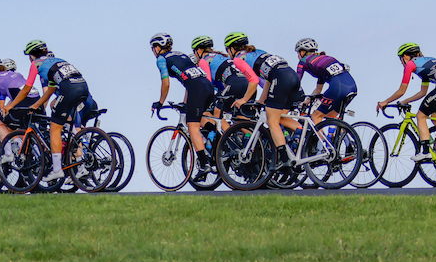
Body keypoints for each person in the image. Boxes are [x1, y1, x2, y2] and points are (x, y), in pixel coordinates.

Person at [3, 39, 91, 184]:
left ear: (31, 55)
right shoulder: (56, 61)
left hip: (69, 89)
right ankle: (81, 158)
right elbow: (50, 91)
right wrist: (35, 105)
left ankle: (57, 170)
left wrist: (11, 105)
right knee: (69, 125)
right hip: (82, 87)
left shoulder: (36, 64)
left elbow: (26, 89)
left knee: (54, 129)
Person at [376, 44, 436, 163]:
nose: (401, 62)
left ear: (405, 56)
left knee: (421, 116)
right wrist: (405, 101)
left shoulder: (410, 65)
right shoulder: (427, 62)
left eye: (400, 58)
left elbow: (402, 90)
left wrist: (385, 101)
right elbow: (423, 92)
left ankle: (426, 152)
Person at [225, 33, 301, 166]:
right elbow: (267, 80)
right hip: (292, 77)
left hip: (280, 80)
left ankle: (284, 160)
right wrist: (260, 102)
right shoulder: (258, 52)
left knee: (272, 122)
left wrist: (244, 99)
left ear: (232, 49)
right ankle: (305, 132)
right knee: (280, 117)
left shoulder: (238, 59)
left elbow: (253, 81)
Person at [150, 33, 215, 179]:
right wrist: (185, 103)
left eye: (153, 47)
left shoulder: (161, 59)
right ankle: (215, 136)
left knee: (192, 127)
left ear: (158, 47)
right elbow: (191, 80)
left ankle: (204, 164)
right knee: (199, 120)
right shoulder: (181, 55)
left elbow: (166, 83)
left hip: (197, 89)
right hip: (207, 87)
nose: (153, 51)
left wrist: (160, 102)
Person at [294, 38, 358, 125]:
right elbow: (318, 89)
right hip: (352, 86)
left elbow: (295, 82)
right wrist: (307, 101)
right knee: (331, 118)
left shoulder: (303, 61)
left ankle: (323, 139)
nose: (298, 56)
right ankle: (342, 138)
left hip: (338, 87)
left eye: (298, 53)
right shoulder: (322, 60)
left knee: (315, 116)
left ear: (302, 52)